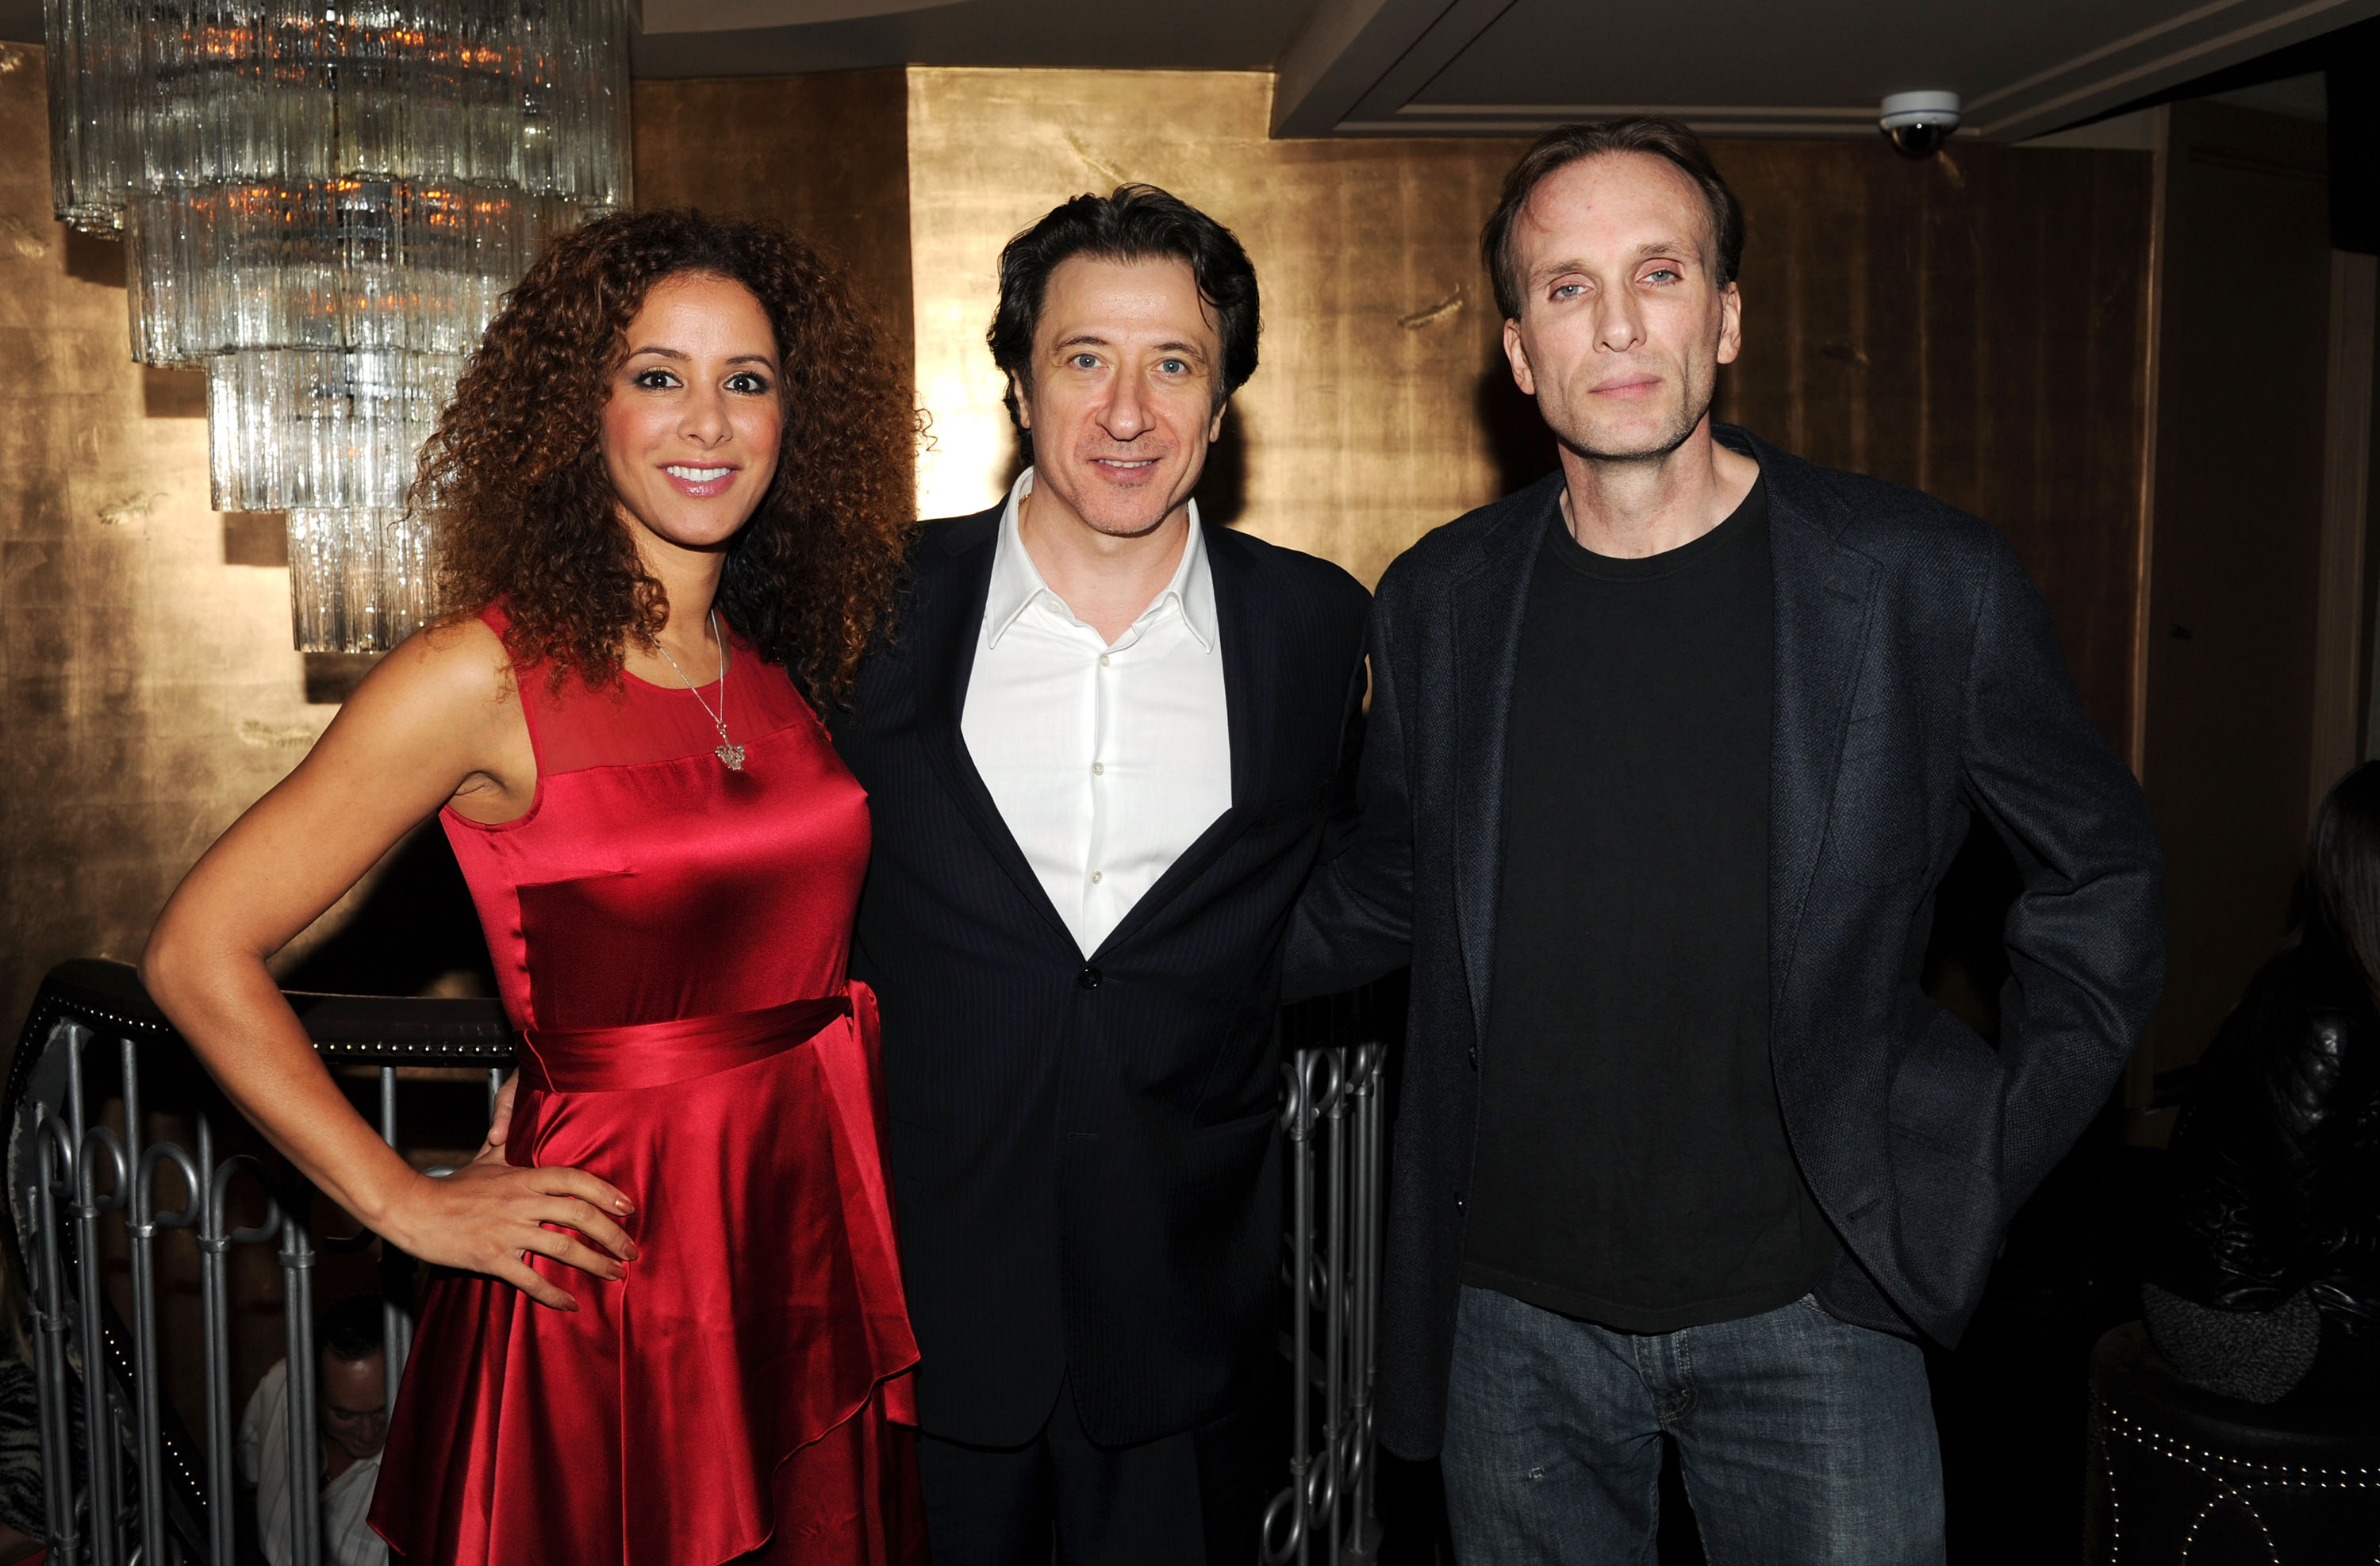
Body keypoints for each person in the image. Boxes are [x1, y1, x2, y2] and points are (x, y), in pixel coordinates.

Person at [1284, 117, 2167, 1562]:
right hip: (1507, 1318)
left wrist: (1981, 1154)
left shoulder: (1917, 582)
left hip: (1820, 1309)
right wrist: (1138, 938)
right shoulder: (1439, 600)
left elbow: (2103, 879)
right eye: (1566, 287)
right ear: (1516, 349)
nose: (1619, 322)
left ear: (1729, 315)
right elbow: (1393, 882)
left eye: (1661, 272)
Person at [140, 209, 924, 1564]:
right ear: (586, 407)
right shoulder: (481, 673)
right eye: (657, 375)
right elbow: (196, 949)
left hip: (795, 1237)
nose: (709, 421)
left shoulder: (768, 663)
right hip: (617, 1265)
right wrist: (401, 1199)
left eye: (748, 380)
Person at [831, 184, 1369, 1564]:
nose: (1127, 411)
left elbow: (1392, 871)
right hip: (913, 1333)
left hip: (1187, 1327)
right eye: (1084, 358)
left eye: (1173, 363)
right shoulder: (865, 608)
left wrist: (1233, 981)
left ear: (1225, 396)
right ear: (1017, 381)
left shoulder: (1318, 626)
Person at [2144, 762, 2380, 1404]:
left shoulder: (2322, 983)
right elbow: (2313, 1229)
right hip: (2243, 1321)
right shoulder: (2325, 1014)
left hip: (2254, 1295)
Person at [239, 1295, 392, 1566]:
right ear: (311, 1392)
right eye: (345, 1415)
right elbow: (243, 1483)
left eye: (382, 1411)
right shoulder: (280, 1388)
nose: (368, 1433)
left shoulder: (424, 1461)